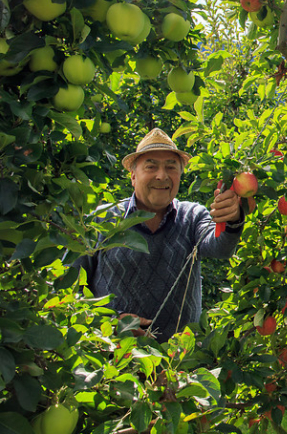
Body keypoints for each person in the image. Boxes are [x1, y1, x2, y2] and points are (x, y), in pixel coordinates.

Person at [76, 128, 244, 341]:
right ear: (133, 176)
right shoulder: (101, 221)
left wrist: (232, 219)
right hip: (109, 354)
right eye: (151, 166)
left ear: (180, 175)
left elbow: (220, 247)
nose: (162, 175)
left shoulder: (192, 216)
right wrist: (109, 321)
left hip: (180, 358)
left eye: (171, 167)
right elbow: (68, 289)